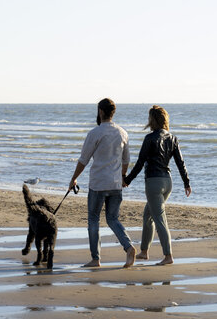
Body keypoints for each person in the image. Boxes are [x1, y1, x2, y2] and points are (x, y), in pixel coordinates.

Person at [69, 98, 136, 268]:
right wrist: (122, 175)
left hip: (98, 183)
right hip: (115, 184)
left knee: (93, 219)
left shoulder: (95, 133)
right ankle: (128, 247)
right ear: (113, 113)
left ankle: (95, 258)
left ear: (100, 111)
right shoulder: (123, 133)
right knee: (113, 219)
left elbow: (83, 160)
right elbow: (126, 159)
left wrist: (74, 178)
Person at [123, 105, 191, 265]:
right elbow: (180, 162)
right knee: (148, 216)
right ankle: (144, 252)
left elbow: (140, 163)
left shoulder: (150, 138)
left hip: (154, 183)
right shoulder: (172, 138)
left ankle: (168, 256)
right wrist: (186, 182)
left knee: (160, 218)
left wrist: (127, 180)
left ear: (152, 120)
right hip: (168, 182)